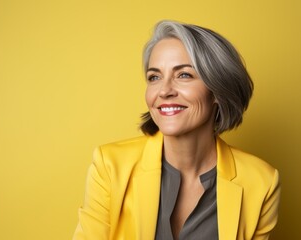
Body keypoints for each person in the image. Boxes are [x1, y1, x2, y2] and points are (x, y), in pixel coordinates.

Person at [73, 20, 281, 240]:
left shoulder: (261, 182)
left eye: (184, 75)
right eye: (155, 77)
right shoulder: (110, 166)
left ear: (218, 91)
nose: (164, 91)